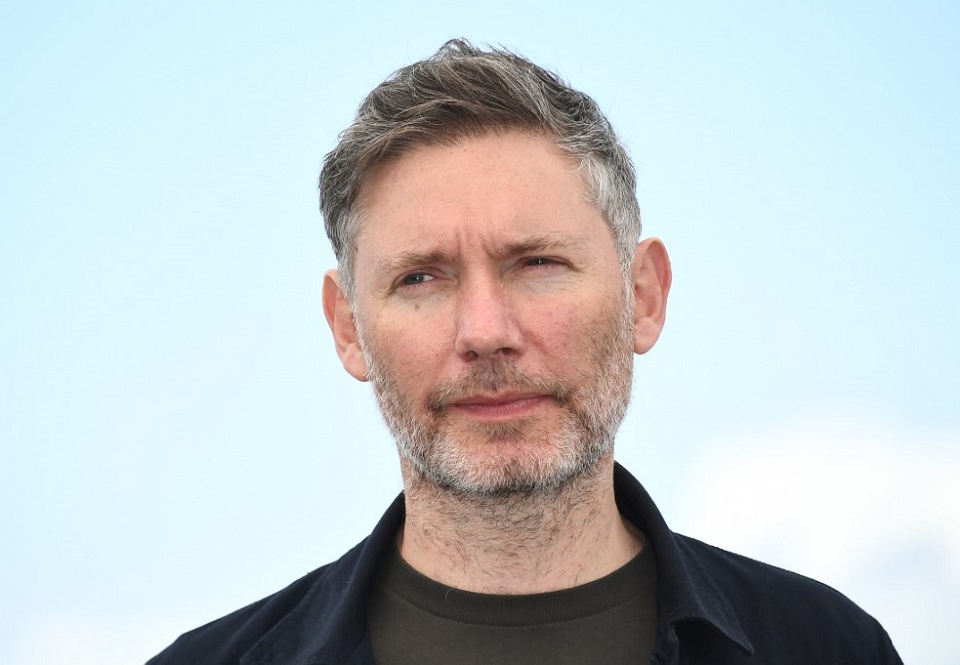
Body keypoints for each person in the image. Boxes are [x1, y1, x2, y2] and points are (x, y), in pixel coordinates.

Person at [148, 39, 901, 664]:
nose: (485, 331)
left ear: (644, 296)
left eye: (536, 264)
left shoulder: (828, 647)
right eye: (420, 277)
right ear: (348, 329)